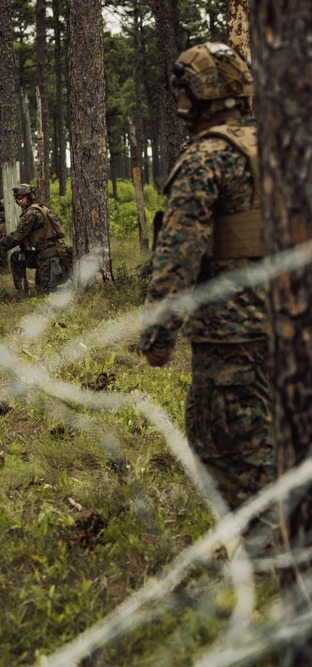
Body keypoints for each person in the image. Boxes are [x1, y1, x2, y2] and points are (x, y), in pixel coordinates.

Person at [140, 42, 272, 513]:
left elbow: (178, 256)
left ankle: (265, 567)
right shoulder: (283, 149)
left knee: (231, 458)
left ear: (192, 97)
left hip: (231, 338)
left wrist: (158, 335)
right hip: (292, 328)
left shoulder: (205, 160)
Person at [0, 183, 71, 292]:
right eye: (18, 199)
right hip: (42, 254)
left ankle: (23, 291)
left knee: (44, 292)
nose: (20, 201)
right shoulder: (40, 208)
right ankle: (22, 290)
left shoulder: (31, 213)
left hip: (47, 257)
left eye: (22, 198)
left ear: (30, 197)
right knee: (17, 257)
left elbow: (17, 236)